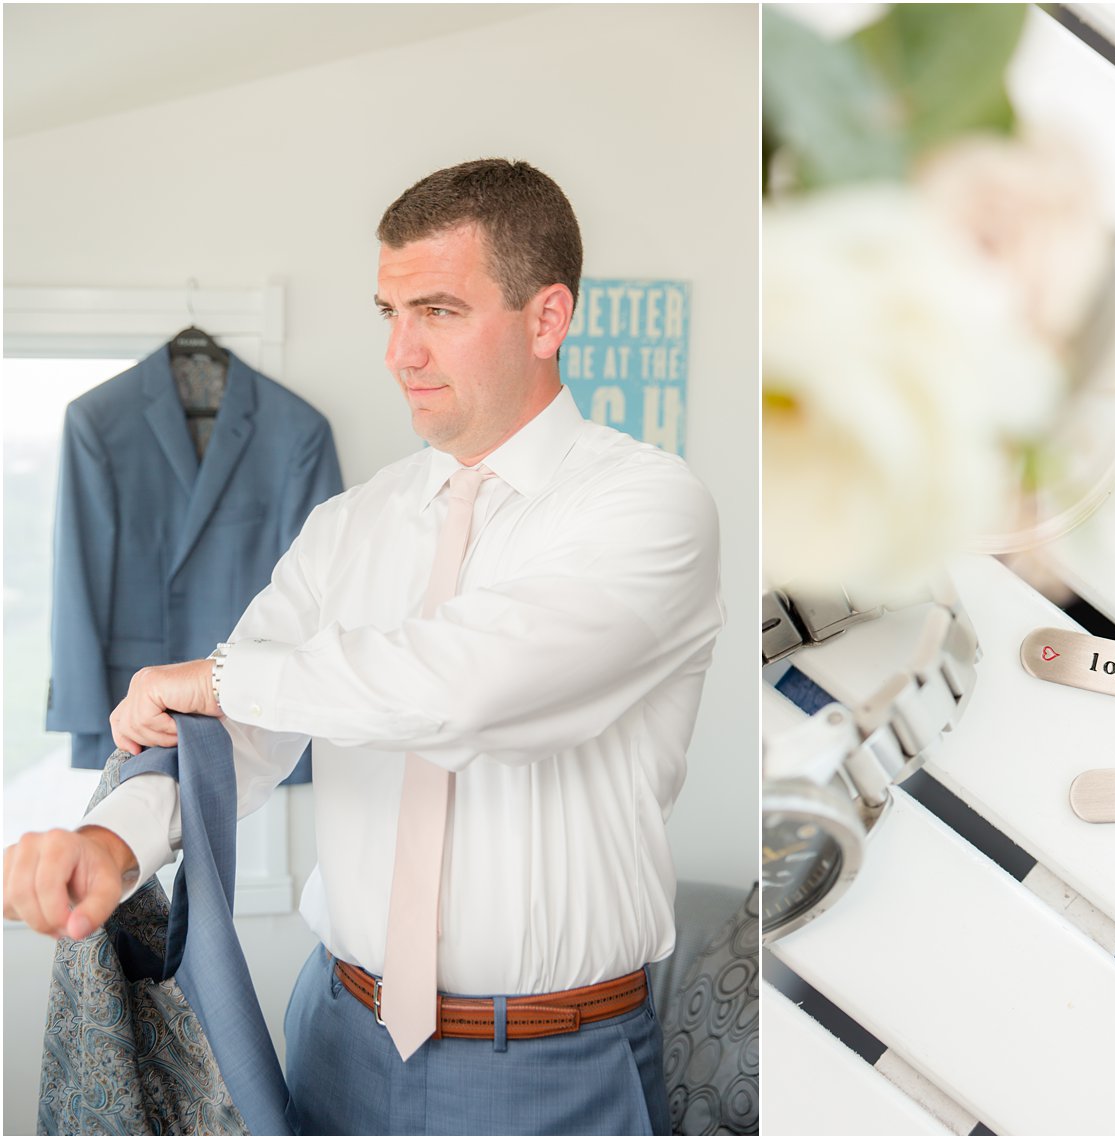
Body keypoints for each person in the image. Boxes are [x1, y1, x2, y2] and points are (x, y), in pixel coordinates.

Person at [4, 158, 724, 1135]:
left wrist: (219, 674)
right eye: (389, 311)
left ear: (546, 318)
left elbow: (468, 686)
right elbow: (240, 734)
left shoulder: (646, 505)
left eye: (437, 310)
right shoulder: (348, 526)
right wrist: (109, 840)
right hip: (336, 1039)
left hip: (553, 1068)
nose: (400, 352)